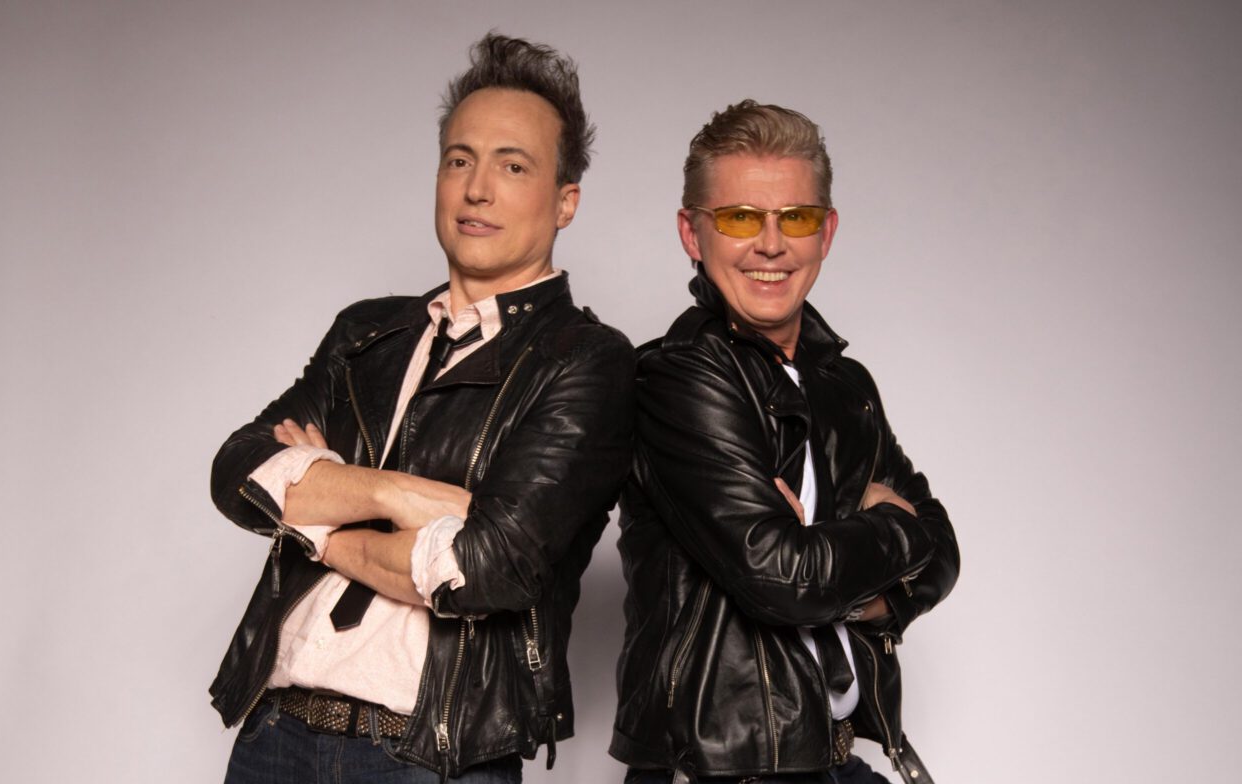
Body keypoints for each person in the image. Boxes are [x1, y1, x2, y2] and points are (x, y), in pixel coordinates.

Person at [208, 33, 635, 783]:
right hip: (274, 737)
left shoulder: (585, 361)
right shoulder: (366, 334)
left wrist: (316, 520)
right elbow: (239, 471)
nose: (477, 189)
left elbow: (489, 566)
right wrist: (397, 495)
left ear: (565, 201)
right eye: (459, 160)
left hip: (431, 756)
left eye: (512, 166)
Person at [610, 101, 959, 784]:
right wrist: (894, 528)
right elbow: (785, 579)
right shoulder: (677, 376)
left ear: (826, 232)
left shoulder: (844, 384)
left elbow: (944, 551)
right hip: (723, 767)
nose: (770, 245)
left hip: (833, 757)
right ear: (691, 232)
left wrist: (842, 566)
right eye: (740, 218)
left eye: (794, 218)